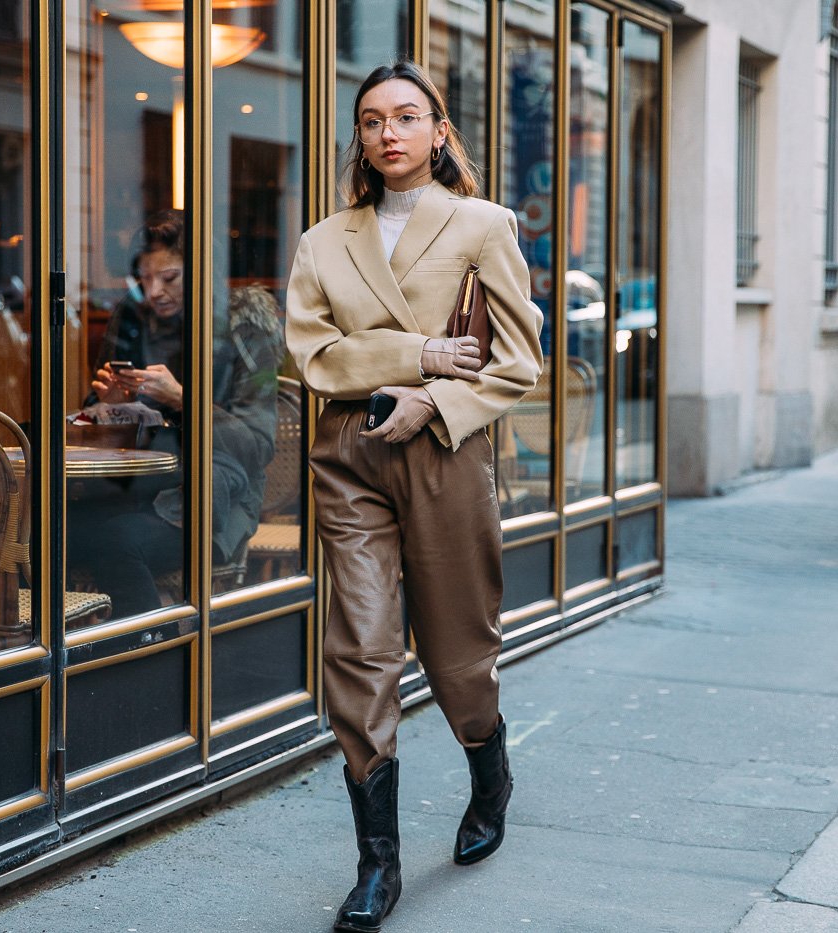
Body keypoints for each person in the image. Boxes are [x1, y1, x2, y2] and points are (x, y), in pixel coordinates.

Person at [285, 61, 543, 932]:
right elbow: (313, 358)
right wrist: (422, 355)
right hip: (349, 453)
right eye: (370, 120)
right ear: (357, 139)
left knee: (459, 652)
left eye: (406, 117)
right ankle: (377, 866)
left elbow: (518, 361)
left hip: (443, 453)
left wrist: (437, 399)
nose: (387, 133)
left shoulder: (480, 224)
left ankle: (489, 767)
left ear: (439, 131)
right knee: (359, 652)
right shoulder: (324, 240)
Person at [74, 209, 281, 616]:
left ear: (202, 272)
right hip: (130, 489)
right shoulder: (131, 322)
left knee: (117, 543)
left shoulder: (243, 329)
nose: (154, 292)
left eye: (169, 278)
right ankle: (72, 666)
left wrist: (181, 399)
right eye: (145, 280)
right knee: (41, 537)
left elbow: (257, 446)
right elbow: (95, 434)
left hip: (214, 497)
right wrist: (108, 409)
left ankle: (153, 659)